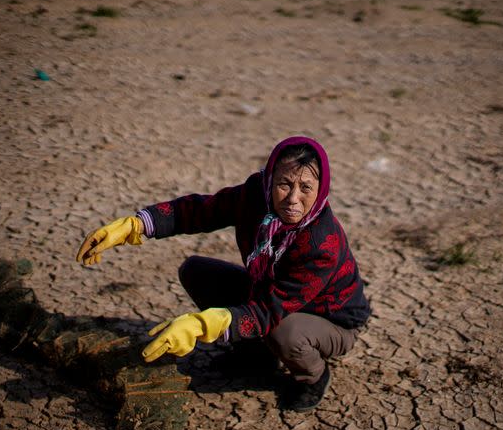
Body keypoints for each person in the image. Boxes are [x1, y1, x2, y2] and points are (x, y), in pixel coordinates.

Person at [76, 136, 370, 411]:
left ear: (321, 191)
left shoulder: (321, 242)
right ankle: (254, 357)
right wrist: (136, 225)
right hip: (272, 295)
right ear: (270, 180)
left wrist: (203, 325)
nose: (293, 198)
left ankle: (313, 376)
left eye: (305, 187)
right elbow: (201, 210)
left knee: (284, 331)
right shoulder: (256, 195)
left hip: (329, 322)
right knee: (197, 272)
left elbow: (269, 310)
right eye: (284, 183)